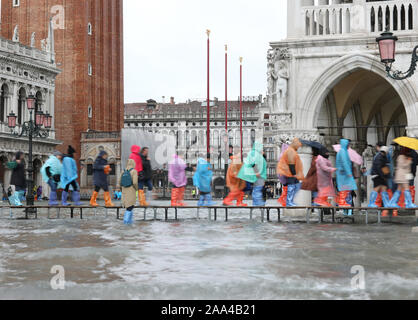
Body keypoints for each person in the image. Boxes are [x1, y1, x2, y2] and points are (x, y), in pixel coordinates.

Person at [277, 138, 305, 207]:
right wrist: (294, 173)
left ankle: (288, 200)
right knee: (291, 187)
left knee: (297, 186)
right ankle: (288, 201)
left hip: (292, 173)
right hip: (289, 173)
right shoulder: (289, 152)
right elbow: (290, 164)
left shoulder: (289, 152)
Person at [335, 139, 357, 210]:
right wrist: (349, 173)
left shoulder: (342, 151)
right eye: (348, 144)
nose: (349, 145)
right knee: (345, 192)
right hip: (344, 176)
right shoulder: (343, 152)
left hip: (342, 175)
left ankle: (345, 207)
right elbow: (345, 163)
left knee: (345, 192)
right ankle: (345, 207)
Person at [121, 159, 139, 225]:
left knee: (128, 207)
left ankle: (129, 222)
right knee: (130, 207)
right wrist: (136, 189)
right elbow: (135, 182)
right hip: (131, 191)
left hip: (124, 191)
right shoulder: (134, 171)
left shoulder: (123, 171)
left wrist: (122, 189)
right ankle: (126, 222)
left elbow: (120, 182)